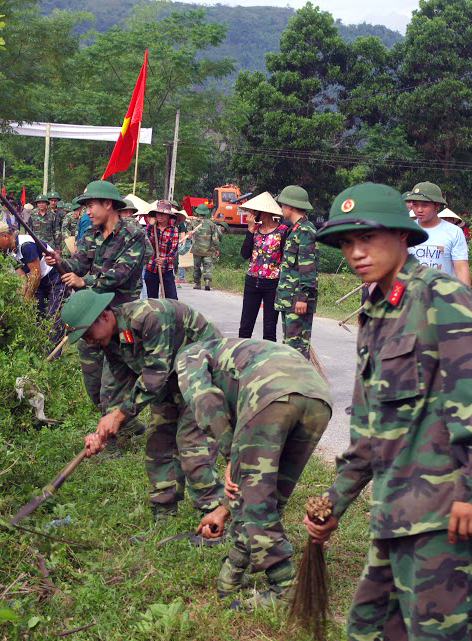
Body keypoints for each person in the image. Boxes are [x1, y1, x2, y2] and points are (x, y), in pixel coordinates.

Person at [307, 183, 472, 641]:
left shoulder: (439, 296)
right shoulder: (375, 313)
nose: (356, 252)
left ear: (402, 236)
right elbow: (368, 430)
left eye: (368, 238)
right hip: (396, 514)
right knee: (365, 628)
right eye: (346, 243)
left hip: (446, 516)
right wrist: (333, 503)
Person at [178, 338, 332, 607]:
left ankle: (285, 586)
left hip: (271, 395)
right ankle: (233, 574)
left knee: (257, 502)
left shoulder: (187, 358)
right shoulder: (227, 353)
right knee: (268, 494)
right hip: (318, 397)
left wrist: (230, 455)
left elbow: (206, 402)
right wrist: (224, 508)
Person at [62, 289, 225, 530]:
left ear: (104, 317)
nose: (89, 342)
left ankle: (214, 519)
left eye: (87, 334)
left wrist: (119, 415)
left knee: (191, 443)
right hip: (171, 381)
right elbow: (118, 388)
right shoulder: (110, 340)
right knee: (158, 443)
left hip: (204, 375)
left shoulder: (150, 317)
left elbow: (154, 375)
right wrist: (103, 432)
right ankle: (164, 517)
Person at [45, 181, 149, 450]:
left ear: (108, 204)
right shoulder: (90, 234)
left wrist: (85, 282)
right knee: (92, 384)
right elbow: (78, 264)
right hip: (91, 316)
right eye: (85, 207)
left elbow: (121, 274)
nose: (87, 211)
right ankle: (131, 424)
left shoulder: (134, 235)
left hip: (117, 318)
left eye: (91, 205)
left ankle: (109, 445)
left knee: (110, 386)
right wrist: (60, 263)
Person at [0, 221, 65, 342]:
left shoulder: (26, 245)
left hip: (53, 278)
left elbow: (36, 273)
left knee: (53, 316)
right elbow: (21, 276)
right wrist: (22, 297)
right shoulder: (8, 251)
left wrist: (28, 296)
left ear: (5, 236)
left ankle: (54, 355)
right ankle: (39, 347)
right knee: (37, 314)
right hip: (39, 280)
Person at [274, 185, 318, 358]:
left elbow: (308, 268)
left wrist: (302, 298)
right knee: (289, 348)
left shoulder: (306, 231)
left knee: (297, 350)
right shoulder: (295, 230)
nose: (281, 209)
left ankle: (302, 384)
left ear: (290, 206)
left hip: (297, 301)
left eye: (282, 205)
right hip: (288, 300)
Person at [238, 192, 288, 342]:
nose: (251, 215)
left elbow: (286, 257)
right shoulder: (255, 231)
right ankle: (241, 358)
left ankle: (268, 360)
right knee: (245, 325)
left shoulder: (283, 231)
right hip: (252, 281)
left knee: (269, 328)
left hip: (272, 283)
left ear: (264, 212)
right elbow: (245, 254)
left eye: (254, 212)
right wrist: (250, 230)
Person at [406, 182, 471, 286]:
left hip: (442, 296)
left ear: (437, 205)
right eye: (415, 205)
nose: (419, 210)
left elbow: (461, 268)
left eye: (425, 205)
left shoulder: (454, 232)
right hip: (411, 295)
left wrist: (465, 298)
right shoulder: (406, 230)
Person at [144, 200, 182, 299]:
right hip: (151, 267)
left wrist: (164, 260)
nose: (160, 216)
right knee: (152, 300)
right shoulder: (151, 228)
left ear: (168, 215)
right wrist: (151, 226)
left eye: (163, 214)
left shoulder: (174, 230)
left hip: (166, 269)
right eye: (158, 214)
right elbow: (146, 244)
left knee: (172, 299)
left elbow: (174, 251)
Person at [189, 204, 222, 291]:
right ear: (206, 213)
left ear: (198, 212)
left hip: (196, 249)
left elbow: (189, 234)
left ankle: (197, 283)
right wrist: (216, 248)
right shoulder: (211, 224)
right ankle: (207, 282)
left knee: (197, 266)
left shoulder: (193, 223)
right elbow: (215, 238)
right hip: (208, 250)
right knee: (207, 266)